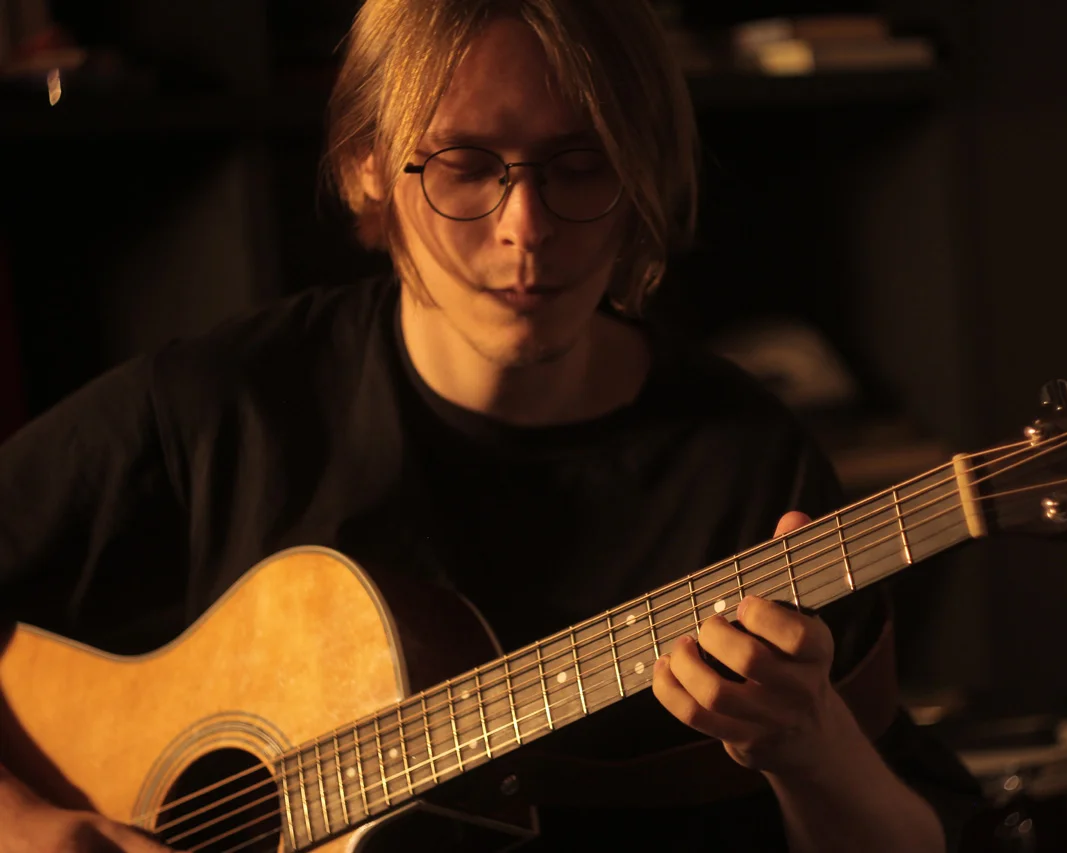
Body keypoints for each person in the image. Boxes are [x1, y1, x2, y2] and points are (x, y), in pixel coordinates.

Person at [0, 1, 983, 850]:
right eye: (466, 165)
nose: (526, 228)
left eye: (579, 164)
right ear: (367, 164)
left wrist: (809, 747)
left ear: (639, 168)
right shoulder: (222, 409)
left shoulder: (749, 469)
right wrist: (30, 824)